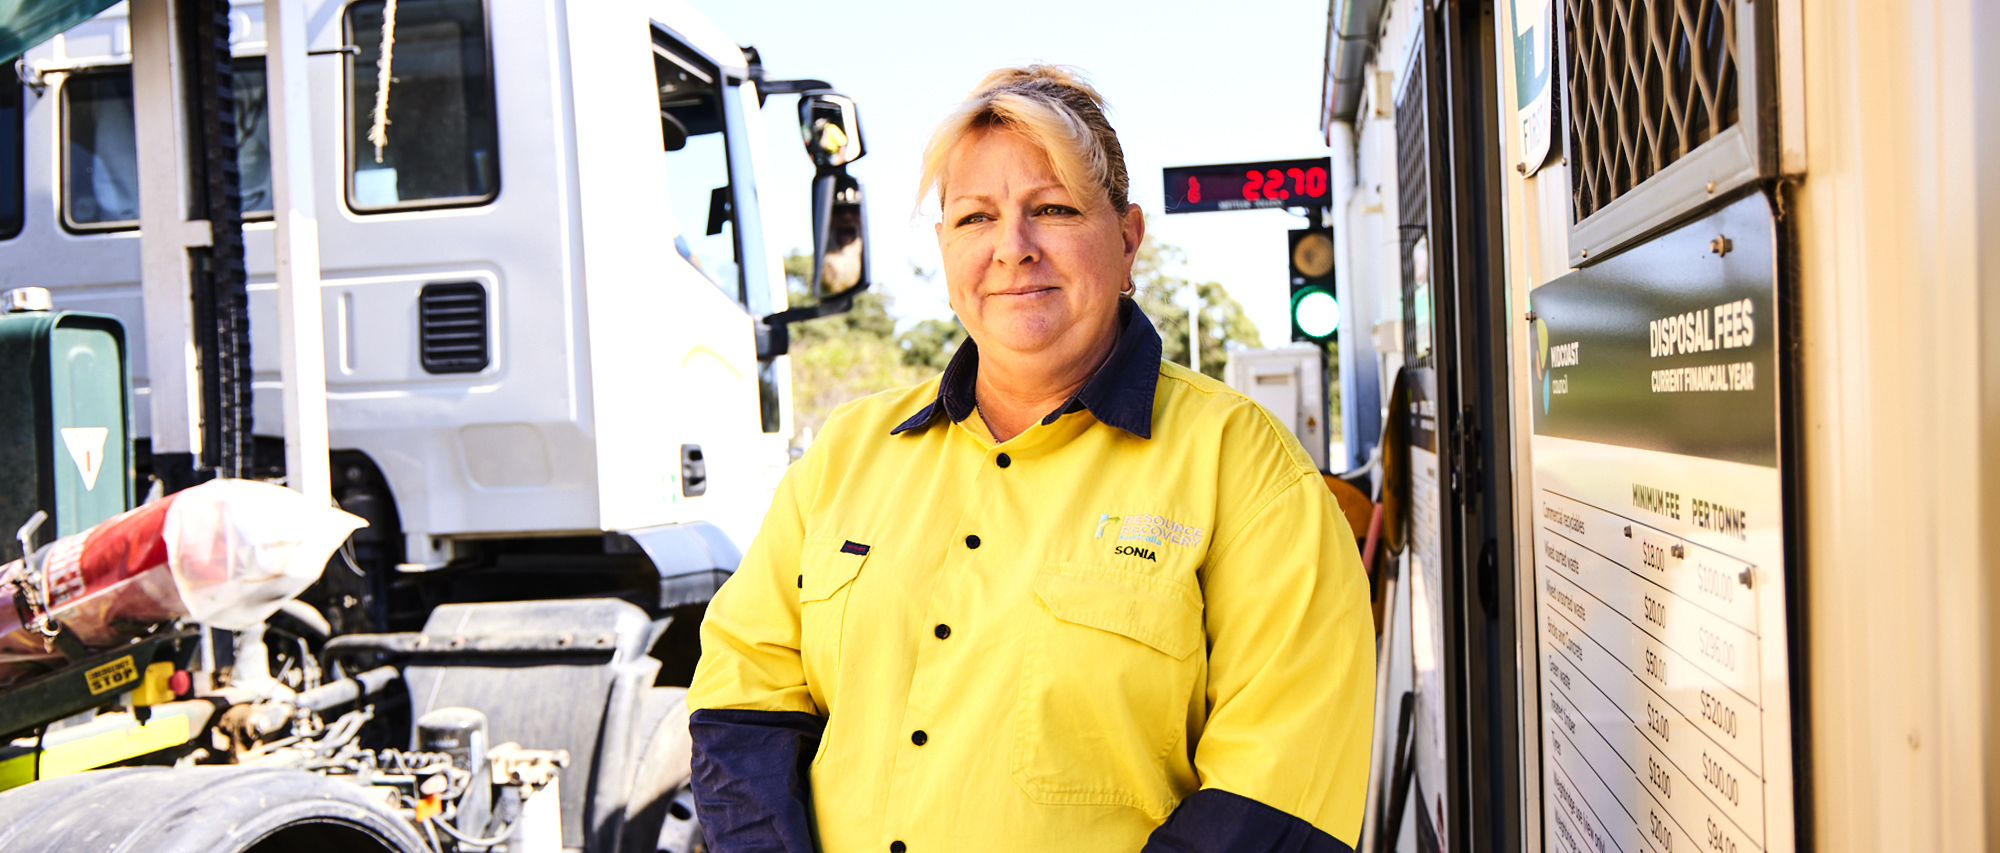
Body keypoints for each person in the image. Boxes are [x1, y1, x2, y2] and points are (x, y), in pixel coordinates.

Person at [686, 65, 1375, 853]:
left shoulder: (1246, 470)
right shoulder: (846, 452)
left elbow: (1279, 795)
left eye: (1052, 209)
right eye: (975, 217)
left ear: (1126, 241)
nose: (1012, 249)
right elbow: (743, 696)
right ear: (946, 251)